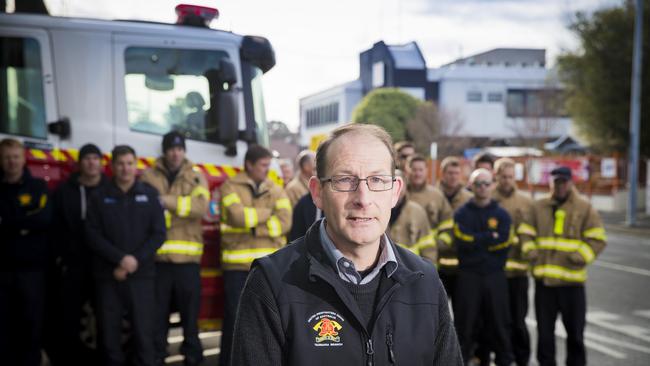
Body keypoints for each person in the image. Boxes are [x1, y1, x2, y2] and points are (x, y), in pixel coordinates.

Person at [231, 124, 462, 365]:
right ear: (317, 192)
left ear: (395, 192)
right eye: (344, 180)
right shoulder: (271, 284)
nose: (363, 198)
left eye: (377, 179)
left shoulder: (425, 282)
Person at [85, 145, 166, 366]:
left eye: (129, 163)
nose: (125, 168)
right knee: (109, 336)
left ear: (136, 165)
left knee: (143, 334)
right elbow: (92, 234)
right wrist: (120, 259)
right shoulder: (99, 197)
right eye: (120, 164)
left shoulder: (149, 195)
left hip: (142, 276)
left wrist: (134, 260)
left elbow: (159, 234)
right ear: (112, 166)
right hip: (108, 275)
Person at [522, 166, 607, 366]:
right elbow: (525, 231)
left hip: (572, 283)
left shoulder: (584, 207)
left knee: (575, 335)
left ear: (570, 183)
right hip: (545, 284)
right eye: (556, 182)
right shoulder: (538, 206)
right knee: (545, 334)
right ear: (551, 183)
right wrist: (530, 250)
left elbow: (598, 238)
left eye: (563, 182)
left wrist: (581, 255)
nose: (560, 186)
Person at [140, 131, 210, 366]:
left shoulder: (196, 176)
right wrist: (182, 208)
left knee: (190, 320)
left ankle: (193, 358)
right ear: (164, 150)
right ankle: (157, 358)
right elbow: (146, 210)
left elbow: (200, 207)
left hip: (187, 262)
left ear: (184, 151)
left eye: (179, 149)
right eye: (171, 148)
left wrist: (165, 202)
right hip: (158, 261)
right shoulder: (148, 176)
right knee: (157, 318)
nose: (175, 153)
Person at [218, 144, 292, 366]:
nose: (267, 170)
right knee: (234, 321)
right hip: (237, 267)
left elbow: (286, 222)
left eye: (269, 165)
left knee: (267, 324)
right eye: (263, 165)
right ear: (248, 164)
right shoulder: (230, 186)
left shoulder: (276, 188)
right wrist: (268, 215)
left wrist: (253, 226)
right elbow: (236, 217)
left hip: (269, 269)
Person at [48, 143, 109, 365]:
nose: (91, 162)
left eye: (95, 158)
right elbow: (54, 226)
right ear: (80, 163)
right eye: (87, 158)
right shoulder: (65, 191)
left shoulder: (110, 190)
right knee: (70, 318)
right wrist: (60, 258)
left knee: (105, 317)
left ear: (101, 163)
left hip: (103, 265)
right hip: (73, 266)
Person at [453, 168, 513, 366]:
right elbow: (462, 239)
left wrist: (476, 240)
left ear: (493, 185)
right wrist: (488, 237)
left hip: (495, 276)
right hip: (468, 276)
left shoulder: (502, 214)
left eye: (487, 183)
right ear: (471, 186)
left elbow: (504, 242)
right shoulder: (461, 213)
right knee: (465, 326)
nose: (483, 188)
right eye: (478, 183)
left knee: (499, 326)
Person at [0, 138, 52, 366]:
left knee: (31, 325)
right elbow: (32, 221)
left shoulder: (38, 187)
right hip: (2, 271)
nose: (12, 162)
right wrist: (23, 221)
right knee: (3, 326)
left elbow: (43, 220)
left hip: (32, 271)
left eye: (15, 156)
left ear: (24, 159)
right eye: (7, 157)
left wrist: (7, 222)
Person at [491, 158, 534, 366]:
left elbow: (530, 233)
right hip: (494, 273)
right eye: (503, 176)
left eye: (510, 176)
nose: (507, 180)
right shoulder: (487, 198)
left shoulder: (526, 202)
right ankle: (502, 360)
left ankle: (522, 360)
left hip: (518, 274)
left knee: (518, 322)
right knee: (498, 323)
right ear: (496, 176)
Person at [406, 154, 454, 262]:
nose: (417, 173)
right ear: (407, 170)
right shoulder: (399, 195)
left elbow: (448, 224)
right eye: (414, 169)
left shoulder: (436, 195)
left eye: (421, 170)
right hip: (403, 256)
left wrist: (440, 243)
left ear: (426, 171)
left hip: (430, 256)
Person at [438, 156, 472, 303]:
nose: (453, 176)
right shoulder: (433, 195)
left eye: (456, 173)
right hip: (437, 264)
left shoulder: (470, 199)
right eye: (450, 173)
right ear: (443, 174)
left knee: (463, 315)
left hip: (462, 265)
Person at [389, 169, 437, 265]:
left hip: (412, 269)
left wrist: (429, 272)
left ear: (405, 186)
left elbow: (427, 245)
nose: (396, 188)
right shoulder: (376, 210)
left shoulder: (417, 211)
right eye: (392, 183)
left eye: (399, 184)